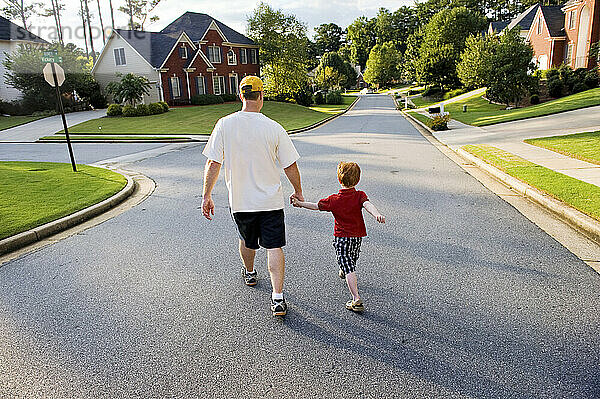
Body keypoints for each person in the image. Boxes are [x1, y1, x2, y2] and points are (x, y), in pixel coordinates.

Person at [201, 76, 303, 317]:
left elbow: (213, 162)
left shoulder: (224, 124)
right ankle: (277, 297)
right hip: (271, 201)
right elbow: (290, 165)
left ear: (240, 96)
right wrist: (298, 191)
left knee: (247, 241)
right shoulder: (274, 127)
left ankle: (249, 272)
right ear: (261, 96)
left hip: (240, 201)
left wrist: (206, 195)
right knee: (274, 245)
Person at [292, 162, 385, 312]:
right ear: (358, 180)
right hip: (357, 237)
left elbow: (316, 206)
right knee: (352, 258)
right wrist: (377, 214)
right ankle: (345, 268)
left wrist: (300, 203)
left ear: (339, 180)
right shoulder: (360, 195)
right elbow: (368, 205)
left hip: (342, 237)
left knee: (348, 267)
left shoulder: (334, 199)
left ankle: (356, 299)